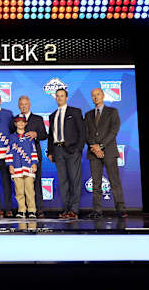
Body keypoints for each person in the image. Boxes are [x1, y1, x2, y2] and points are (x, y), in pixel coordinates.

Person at [85, 88, 127, 218]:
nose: (95, 97)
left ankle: (120, 209)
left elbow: (113, 131)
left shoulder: (112, 112)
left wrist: (101, 146)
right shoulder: (88, 114)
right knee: (96, 183)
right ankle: (97, 210)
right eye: (93, 95)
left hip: (108, 151)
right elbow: (86, 133)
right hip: (93, 153)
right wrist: (95, 148)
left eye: (97, 94)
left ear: (103, 95)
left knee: (114, 181)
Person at [47, 89, 85, 220]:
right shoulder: (52, 115)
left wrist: (78, 149)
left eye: (62, 96)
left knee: (74, 180)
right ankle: (66, 209)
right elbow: (50, 136)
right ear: (55, 98)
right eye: (57, 96)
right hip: (57, 151)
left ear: (66, 97)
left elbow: (82, 132)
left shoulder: (75, 112)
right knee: (63, 181)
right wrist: (50, 151)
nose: (59, 98)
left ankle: (74, 210)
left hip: (72, 150)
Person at [11, 95, 48, 218]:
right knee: (20, 187)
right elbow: (11, 138)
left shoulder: (37, 119)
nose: (23, 106)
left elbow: (44, 134)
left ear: (30, 104)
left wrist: (36, 134)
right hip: (18, 160)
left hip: (33, 158)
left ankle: (38, 209)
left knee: (35, 184)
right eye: (21, 104)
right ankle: (22, 209)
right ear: (18, 105)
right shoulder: (15, 120)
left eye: (25, 104)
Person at [6, 114, 38, 219]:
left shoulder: (29, 137)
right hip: (16, 168)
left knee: (30, 190)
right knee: (19, 191)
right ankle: (21, 210)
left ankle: (32, 210)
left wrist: (34, 163)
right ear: (15, 123)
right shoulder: (11, 137)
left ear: (25, 123)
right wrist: (10, 165)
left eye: (22, 122)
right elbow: (9, 152)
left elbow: (33, 151)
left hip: (28, 167)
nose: (20, 123)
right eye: (18, 122)